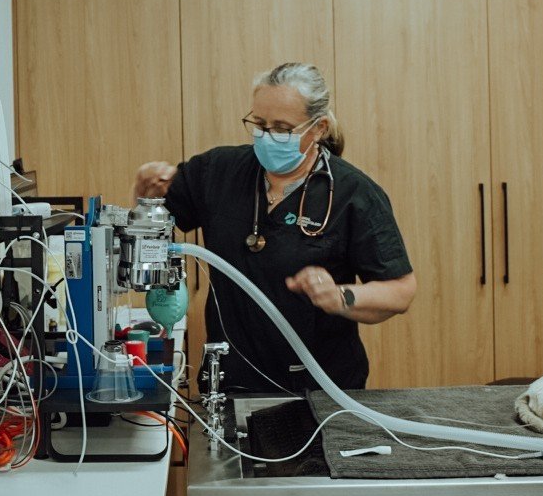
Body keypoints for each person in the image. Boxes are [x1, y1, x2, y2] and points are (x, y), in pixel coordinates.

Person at [133, 62, 416, 394]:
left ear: (319, 128)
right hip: (231, 383)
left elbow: (400, 291)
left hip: (321, 389)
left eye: (282, 128)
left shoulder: (353, 194)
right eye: (259, 124)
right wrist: (143, 194)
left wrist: (340, 297)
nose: (267, 136)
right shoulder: (218, 172)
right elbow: (149, 236)